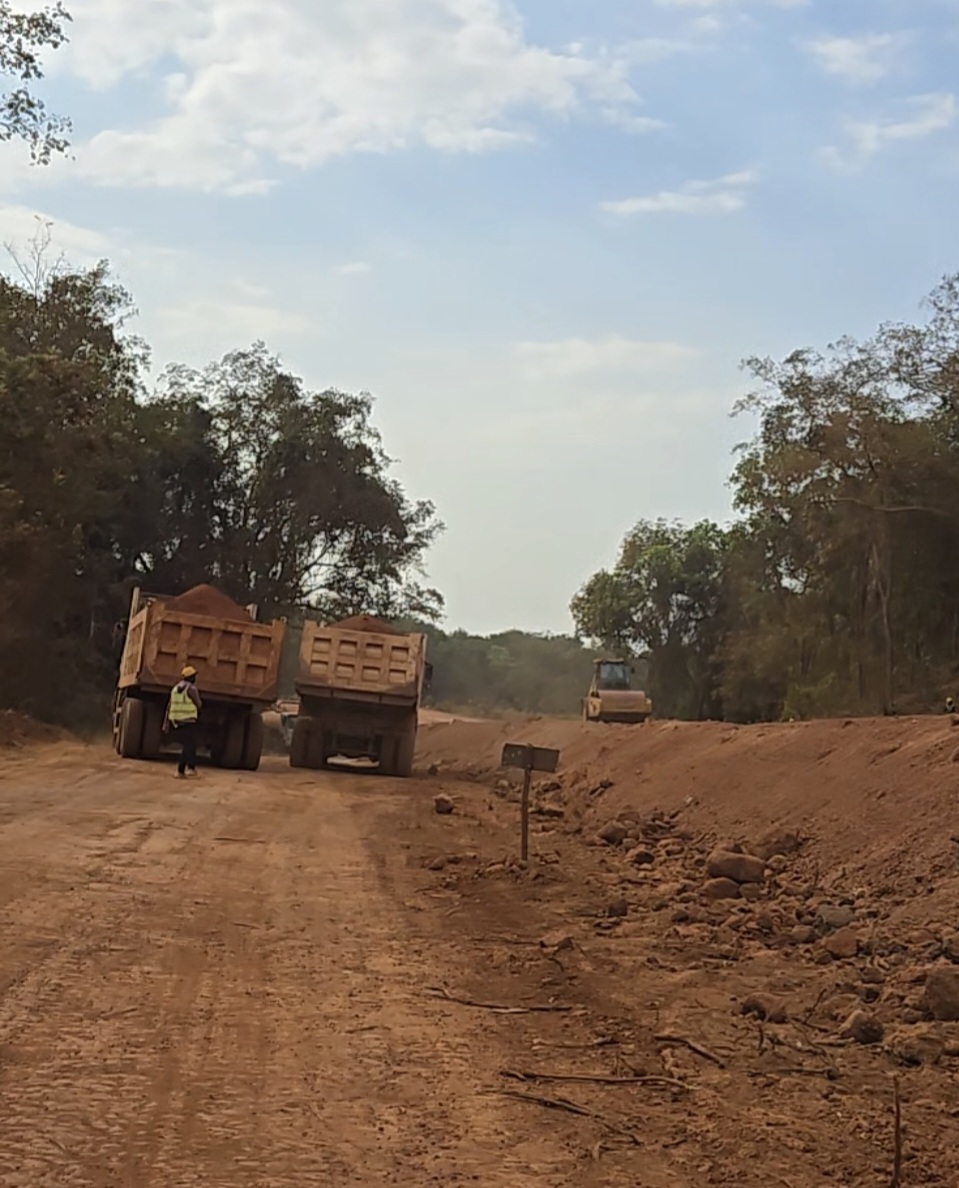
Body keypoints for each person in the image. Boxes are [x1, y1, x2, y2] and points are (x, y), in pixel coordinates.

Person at [165, 666, 202, 778]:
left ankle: (186, 769)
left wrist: (166, 723)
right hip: (189, 720)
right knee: (190, 745)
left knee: (188, 745)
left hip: (177, 721)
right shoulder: (191, 689)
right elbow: (198, 704)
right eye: (194, 676)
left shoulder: (175, 689)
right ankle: (186, 769)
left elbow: (170, 705)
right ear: (191, 678)